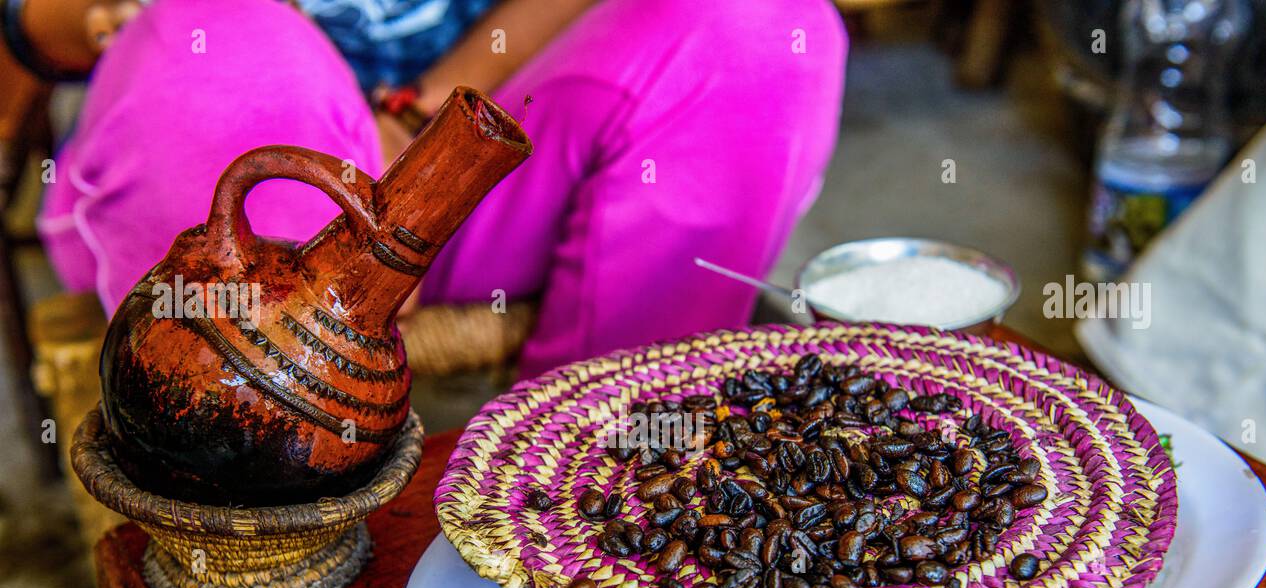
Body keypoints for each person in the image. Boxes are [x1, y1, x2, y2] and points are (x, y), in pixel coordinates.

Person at [8, 0, 848, 378]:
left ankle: (593, 511)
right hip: (225, 171)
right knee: (231, 43)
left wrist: (425, 127)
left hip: (452, 148)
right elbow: (35, 24)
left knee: (758, 28)